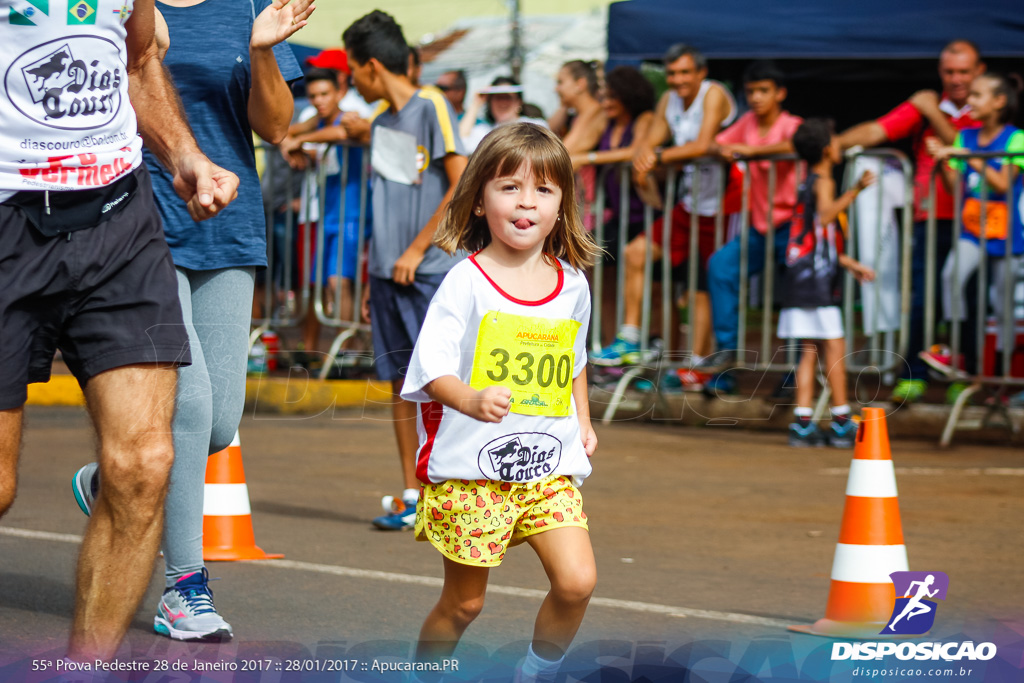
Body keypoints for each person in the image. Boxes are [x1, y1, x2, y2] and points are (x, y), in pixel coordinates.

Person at [0, 0, 239, 661]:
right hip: (6, 223)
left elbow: (134, 63)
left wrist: (183, 154)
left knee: (142, 466)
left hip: (116, 217)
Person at [70, 0, 307, 642]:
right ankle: (184, 588)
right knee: (190, 403)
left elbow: (277, 127)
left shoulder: (248, 6)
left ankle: (117, 479)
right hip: (141, 228)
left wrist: (261, 49)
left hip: (228, 224)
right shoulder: (121, 7)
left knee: (222, 419)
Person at [401, 122, 600, 683]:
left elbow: (575, 360)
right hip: (472, 472)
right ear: (480, 201)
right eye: (509, 187)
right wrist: (470, 398)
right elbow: (431, 370)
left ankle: (536, 671)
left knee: (577, 581)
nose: (526, 202)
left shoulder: (573, 283)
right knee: (465, 605)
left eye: (543, 190)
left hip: (547, 465)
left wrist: (582, 422)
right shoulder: (466, 280)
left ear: (561, 206)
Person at [342, 10, 468, 530]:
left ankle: (456, 490)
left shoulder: (431, 105)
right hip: (388, 276)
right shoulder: (380, 123)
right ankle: (412, 494)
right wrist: (378, 267)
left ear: (372, 66)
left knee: (443, 383)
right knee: (398, 383)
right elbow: (388, 199)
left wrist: (417, 250)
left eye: (353, 69)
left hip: (430, 272)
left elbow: (460, 184)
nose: (351, 79)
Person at [838, 40, 986, 404]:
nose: (956, 79)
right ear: (940, 72)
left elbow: (967, 147)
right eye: (949, 72)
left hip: (975, 222)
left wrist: (933, 113)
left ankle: (967, 378)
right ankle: (914, 374)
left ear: (979, 71)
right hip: (929, 219)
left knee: (969, 300)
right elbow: (876, 132)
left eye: (963, 71)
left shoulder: (985, 104)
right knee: (923, 298)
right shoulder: (926, 106)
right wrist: (829, 146)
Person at [591, 44, 736, 369]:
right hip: (687, 204)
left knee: (703, 285)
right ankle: (630, 337)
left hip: (726, 205)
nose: (677, 79)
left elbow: (701, 144)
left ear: (701, 72)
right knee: (636, 254)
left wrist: (655, 157)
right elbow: (647, 145)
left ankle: (699, 366)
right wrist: (645, 155)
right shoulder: (669, 100)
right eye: (671, 73)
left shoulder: (713, 94)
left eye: (685, 72)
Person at [701, 60, 803, 393]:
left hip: (794, 226)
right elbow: (718, 142)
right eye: (752, 92)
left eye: (764, 91)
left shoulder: (792, 124)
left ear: (780, 93)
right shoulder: (746, 122)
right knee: (721, 266)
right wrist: (724, 149)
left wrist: (751, 150)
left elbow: (798, 145)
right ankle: (727, 357)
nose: (757, 97)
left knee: (796, 295)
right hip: (760, 228)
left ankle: (795, 371)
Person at [781, 119, 876, 448]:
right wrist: (857, 190)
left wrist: (848, 263)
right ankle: (840, 420)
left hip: (801, 277)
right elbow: (824, 217)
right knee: (834, 349)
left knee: (808, 352)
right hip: (817, 283)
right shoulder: (824, 182)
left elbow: (814, 235)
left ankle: (803, 422)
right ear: (826, 150)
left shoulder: (808, 181)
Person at [926, 73, 1024, 379]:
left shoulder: (1016, 138)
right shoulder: (964, 136)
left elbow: (1002, 184)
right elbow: (955, 186)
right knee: (951, 276)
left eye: (977, 95)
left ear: (999, 102)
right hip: (972, 230)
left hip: (1008, 235)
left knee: (1002, 304)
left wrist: (967, 156)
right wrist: (943, 160)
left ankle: (1003, 377)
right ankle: (955, 351)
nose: (969, 101)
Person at [280, 66, 372, 358]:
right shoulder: (317, 121)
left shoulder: (348, 117)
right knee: (327, 286)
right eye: (313, 95)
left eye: (324, 94)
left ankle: (351, 348)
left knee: (339, 282)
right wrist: (288, 144)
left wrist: (301, 141)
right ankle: (348, 348)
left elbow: (342, 130)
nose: (319, 100)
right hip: (329, 213)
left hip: (353, 213)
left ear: (338, 93)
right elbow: (283, 131)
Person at [568, 66, 655, 347]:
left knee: (654, 290)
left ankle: (648, 349)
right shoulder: (606, 122)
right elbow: (572, 150)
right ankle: (609, 350)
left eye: (612, 97)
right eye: (603, 97)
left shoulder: (644, 120)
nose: (605, 103)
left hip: (645, 213)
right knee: (604, 284)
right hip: (617, 214)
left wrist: (592, 158)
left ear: (628, 95)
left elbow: (636, 151)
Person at [459, 76, 548, 153]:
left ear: (519, 102)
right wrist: (476, 104)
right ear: (490, 103)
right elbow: (460, 143)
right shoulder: (484, 131)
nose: (502, 102)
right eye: (498, 97)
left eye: (507, 97)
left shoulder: (536, 126)